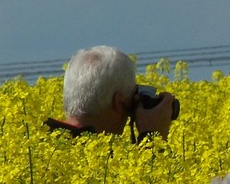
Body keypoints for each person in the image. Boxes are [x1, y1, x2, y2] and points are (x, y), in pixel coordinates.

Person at [44, 45, 177, 140]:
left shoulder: (39, 142)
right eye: (132, 99)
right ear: (119, 102)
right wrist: (153, 138)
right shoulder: (98, 157)